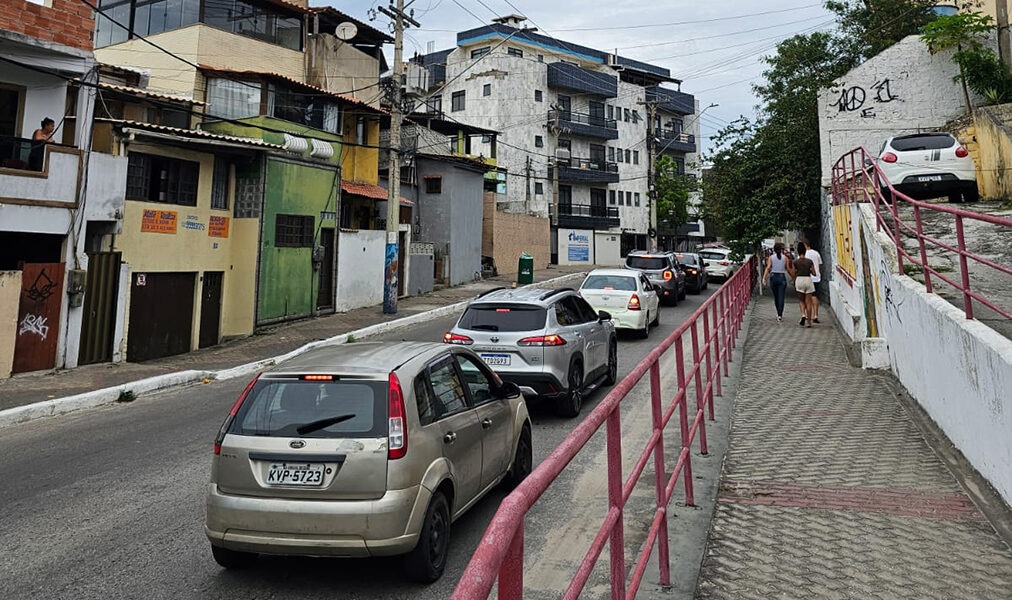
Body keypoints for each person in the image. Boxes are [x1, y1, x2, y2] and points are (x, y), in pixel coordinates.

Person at [788, 243, 816, 327]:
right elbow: (814, 273)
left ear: (798, 251)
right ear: (805, 251)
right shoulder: (809, 261)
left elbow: (793, 273)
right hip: (808, 280)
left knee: (801, 300)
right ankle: (809, 322)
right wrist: (810, 270)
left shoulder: (795, 262)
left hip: (799, 280)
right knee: (809, 302)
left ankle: (803, 315)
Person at [762, 242, 790, 322]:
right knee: (781, 296)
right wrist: (794, 278)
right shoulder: (785, 258)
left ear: (774, 250)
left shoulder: (771, 257)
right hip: (782, 277)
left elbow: (768, 268)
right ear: (781, 250)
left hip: (773, 277)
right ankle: (780, 314)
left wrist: (764, 278)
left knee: (776, 296)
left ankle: (778, 312)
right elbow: (788, 269)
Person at [802, 239, 823, 324]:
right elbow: (820, 264)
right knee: (814, 296)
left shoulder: (804, 255)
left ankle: (807, 315)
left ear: (804, 245)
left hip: (807, 278)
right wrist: (818, 273)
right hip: (816, 278)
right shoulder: (816, 253)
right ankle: (815, 315)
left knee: (806, 297)